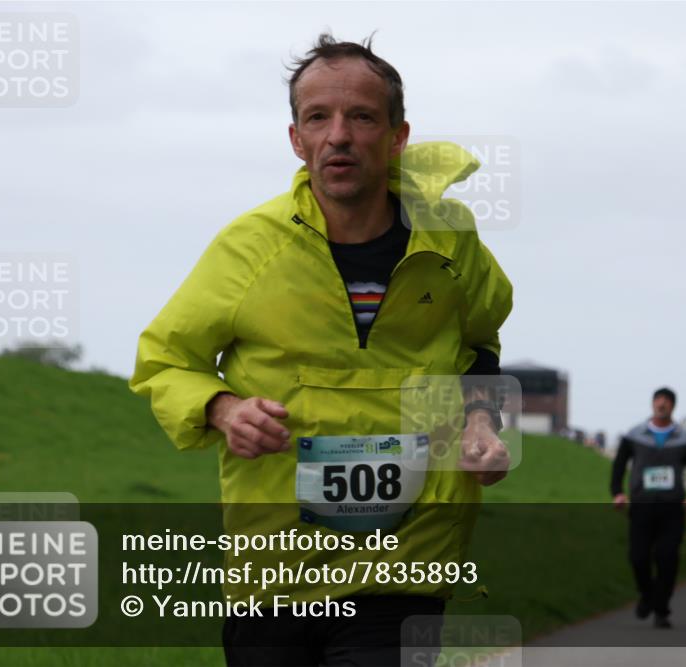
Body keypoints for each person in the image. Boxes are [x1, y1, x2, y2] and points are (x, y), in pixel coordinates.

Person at [130, 33, 513, 667]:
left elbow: (478, 346)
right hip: (274, 572)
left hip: (406, 566)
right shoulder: (248, 248)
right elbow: (166, 362)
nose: (339, 136)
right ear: (296, 139)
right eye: (318, 118)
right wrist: (224, 409)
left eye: (361, 116)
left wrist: (480, 421)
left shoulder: (452, 242)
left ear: (397, 136)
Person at [611, 387, 686, 630]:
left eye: (666, 401)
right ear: (652, 404)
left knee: (667, 558)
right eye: (658, 400)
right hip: (641, 506)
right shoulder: (634, 435)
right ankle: (647, 595)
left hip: (672, 508)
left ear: (673, 406)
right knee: (638, 557)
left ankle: (661, 610)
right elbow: (619, 465)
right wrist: (617, 492)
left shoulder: (685, 439)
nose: (662, 404)